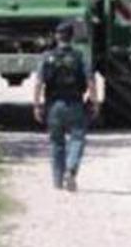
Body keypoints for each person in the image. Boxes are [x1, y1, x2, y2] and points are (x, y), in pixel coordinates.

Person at [33, 20, 98, 192]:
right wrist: (94, 102)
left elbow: (39, 82)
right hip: (75, 104)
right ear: (72, 37)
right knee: (77, 138)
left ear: (57, 36)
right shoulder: (80, 56)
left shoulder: (47, 57)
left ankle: (57, 180)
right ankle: (71, 169)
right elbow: (90, 81)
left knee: (56, 143)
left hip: (53, 105)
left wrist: (36, 105)